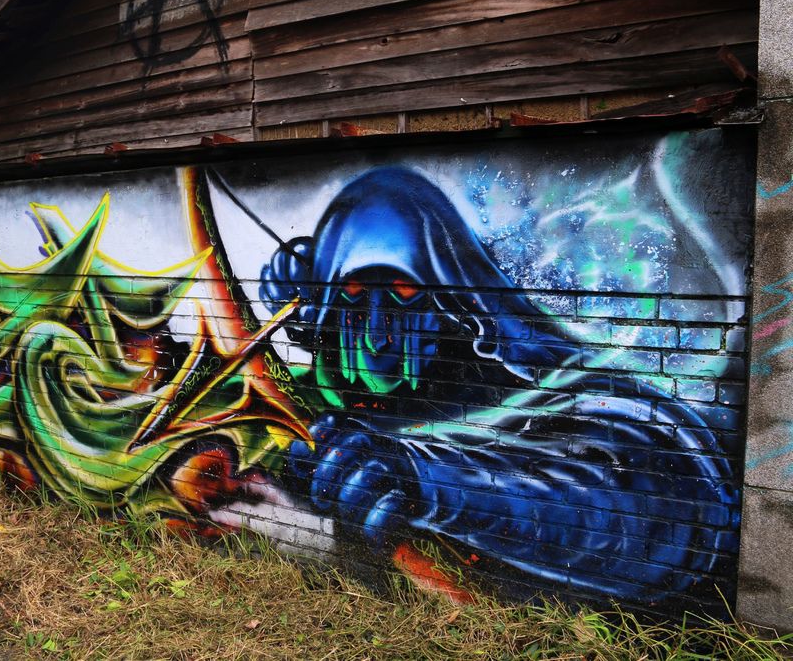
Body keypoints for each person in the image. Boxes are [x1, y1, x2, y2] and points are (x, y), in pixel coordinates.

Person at [260, 167, 739, 602]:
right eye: (355, 293)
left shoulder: (516, 380)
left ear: (446, 290)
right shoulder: (306, 387)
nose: (380, 331)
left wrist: (428, 482)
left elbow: (663, 501)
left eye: (404, 292)